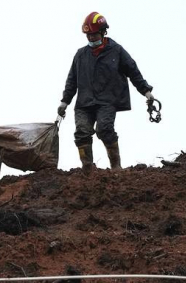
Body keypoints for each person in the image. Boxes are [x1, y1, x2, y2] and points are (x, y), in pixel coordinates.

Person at [57, 12, 156, 170]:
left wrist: (146, 91)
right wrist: (64, 102)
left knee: (104, 129)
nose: (90, 38)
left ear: (103, 32)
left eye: (94, 34)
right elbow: (72, 81)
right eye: (88, 35)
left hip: (107, 101)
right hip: (84, 103)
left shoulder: (116, 51)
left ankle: (116, 167)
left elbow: (133, 71)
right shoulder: (80, 55)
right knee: (82, 133)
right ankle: (87, 169)